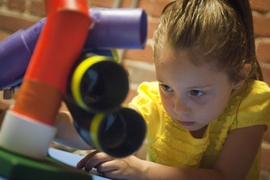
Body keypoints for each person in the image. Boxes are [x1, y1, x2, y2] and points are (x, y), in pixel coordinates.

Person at [76, 0, 270, 179]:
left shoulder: (251, 100)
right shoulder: (152, 98)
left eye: (196, 92)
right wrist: (55, 120)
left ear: (239, 77)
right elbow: (102, 130)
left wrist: (140, 169)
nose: (178, 108)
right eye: (167, 87)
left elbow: (226, 177)